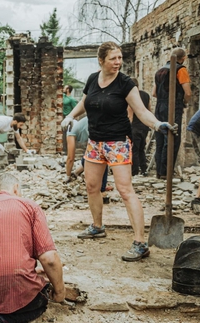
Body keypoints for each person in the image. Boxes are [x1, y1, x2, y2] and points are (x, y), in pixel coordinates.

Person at [61, 42, 177, 262]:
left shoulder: (124, 84)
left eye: (120, 58)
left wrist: (158, 124)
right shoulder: (93, 79)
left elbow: (142, 112)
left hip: (117, 143)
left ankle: (140, 242)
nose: (118, 62)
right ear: (101, 60)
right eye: (113, 58)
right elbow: (85, 102)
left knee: (125, 190)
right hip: (95, 142)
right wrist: (71, 116)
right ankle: (97, 226)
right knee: (92, 186)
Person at [0, 173, 65, 323]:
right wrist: (60, 292)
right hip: (18, 293)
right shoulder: (29, 206)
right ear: (16, 189)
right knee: (38, 299)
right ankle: (6, 319)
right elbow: (50, 260)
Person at [152, 48, 192, 179]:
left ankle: (160, 171)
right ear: (184, 58)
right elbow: (188, 92)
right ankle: (166, 172)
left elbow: (154, 93)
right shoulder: (180, 69)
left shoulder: (160, 71)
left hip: (159, 106)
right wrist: (184, 103)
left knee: (160, 138)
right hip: (173, 105)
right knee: (173, 138)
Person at [65, 117, 109, 195]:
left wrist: (67, 176)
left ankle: (102, 189)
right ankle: (76, 172)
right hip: (102, 127)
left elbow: (70, 158)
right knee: (90, 156)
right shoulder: (80, 127)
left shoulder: (71, 132)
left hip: (102, 129)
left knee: (101, 158)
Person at [129, 78, 152, 176]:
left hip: (135, 126)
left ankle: (134, 171)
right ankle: (143, 169)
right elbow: (149, 110)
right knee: (141, 148)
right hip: (144, 126)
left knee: (134, 149)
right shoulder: (145, 95)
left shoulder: (131, 96)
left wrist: (128, 128)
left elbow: (130, 114)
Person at [62, 85, 78, 153]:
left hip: (69, 119)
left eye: (64, 88)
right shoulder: (63, 96)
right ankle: (64, 149)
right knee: (62, 135)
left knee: (69, 135)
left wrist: (76, 121)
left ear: (68, 90)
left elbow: (76, 110)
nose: (63, 89)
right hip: (62, 118)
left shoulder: (72, 99)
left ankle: (69, 151)